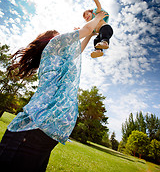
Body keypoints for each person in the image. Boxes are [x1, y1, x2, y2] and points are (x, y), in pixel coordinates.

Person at [0, 10, 107, 172]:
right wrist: (98, 17)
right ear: (52, 37)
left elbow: (78, 49)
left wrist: (90, 36)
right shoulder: (55, 43)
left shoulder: (61, 57)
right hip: (30, 128)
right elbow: (84, 30)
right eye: (59, 34)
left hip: (46, 132)